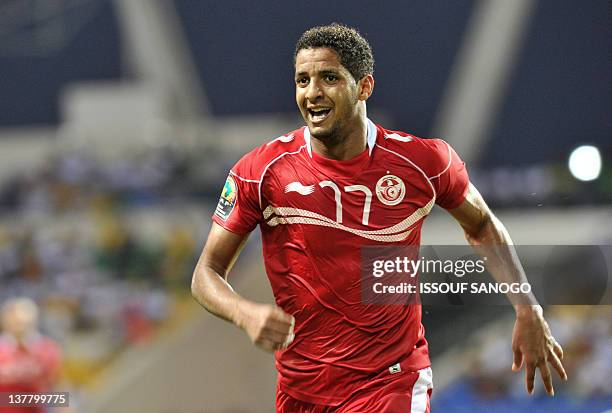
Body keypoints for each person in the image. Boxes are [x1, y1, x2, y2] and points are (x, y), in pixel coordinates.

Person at [191, 23, 567, 412]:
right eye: (302, 80)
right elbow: (206, 273)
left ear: (365, 87)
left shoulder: (424, 162)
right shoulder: (261, 170)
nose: (312, 92)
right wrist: (245, 312)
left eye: (329, 78)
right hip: (301, 389)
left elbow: (483, 224)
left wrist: (527, 308)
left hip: (391, 380)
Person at [0, 298, 62, 413]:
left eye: (22, 320)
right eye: (13, 319)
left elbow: (58, 389)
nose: (18, 323)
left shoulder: (48, 349)